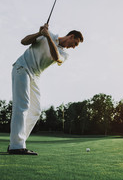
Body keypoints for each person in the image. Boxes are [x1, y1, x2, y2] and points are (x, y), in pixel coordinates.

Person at [8, 23, 83, 155]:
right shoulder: (47, 35)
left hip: (35, 75)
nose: (74, 47)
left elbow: (56, 57)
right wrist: (39, 34)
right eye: (75, 43)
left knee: (36, 111)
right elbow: (23, 41)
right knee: (22, 105)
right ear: (71, 36)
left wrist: (47, 36)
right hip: (22, 68)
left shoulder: (64, 54)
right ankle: (17, 146)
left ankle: (16, 142)